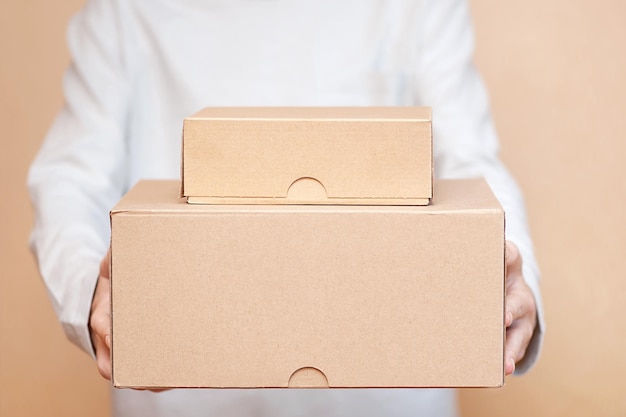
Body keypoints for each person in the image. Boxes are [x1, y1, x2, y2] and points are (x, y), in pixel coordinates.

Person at [28, 1, 544, 416]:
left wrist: (510, 281)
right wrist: (91, 293)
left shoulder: (420, 7)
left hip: (386, 398)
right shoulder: (123, 10)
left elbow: (470, 161)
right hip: (184, 395)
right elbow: (69, 178)